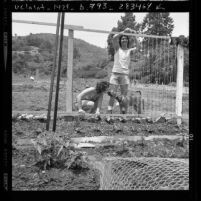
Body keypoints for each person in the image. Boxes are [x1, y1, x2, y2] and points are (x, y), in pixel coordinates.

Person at [107, 28, 140, 114]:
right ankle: (109, 112)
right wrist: (123, 32)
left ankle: (123, 113)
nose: (124, 39)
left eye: (125, 38)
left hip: (124, 75)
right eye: (122, 38)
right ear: (120, 41)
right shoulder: (117, 48)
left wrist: (135, 35)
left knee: (123, 96)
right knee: (112, 94)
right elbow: (114, 37)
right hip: (115, 74)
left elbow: (139, 47)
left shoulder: (130, 51)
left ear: (128, 41)